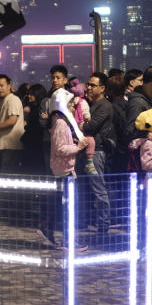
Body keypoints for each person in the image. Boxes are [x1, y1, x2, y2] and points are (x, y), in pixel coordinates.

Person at [43, 89, 89, 252]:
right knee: (69, 208)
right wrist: (78, 147)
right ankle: (67, 241)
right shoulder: (61, 124)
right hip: (65, 170)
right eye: (69, 103)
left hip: (62, 169)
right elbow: (60, 149)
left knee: (64, 206)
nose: (72, 106)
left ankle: (49, 231)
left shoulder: (57, 121)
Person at [81, 72, 114, 233]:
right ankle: (95, 222)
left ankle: (103, 225)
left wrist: (79, 124)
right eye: (88, 84)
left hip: (97, 152)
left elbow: (90, 127)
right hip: (89, 150)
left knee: (99, 188)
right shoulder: (91, 104)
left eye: (92, 85)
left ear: (102, 88)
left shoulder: (105, 106)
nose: (88, 87)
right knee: (93, 189)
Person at [0, 74, 24, 173]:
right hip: (3, 144)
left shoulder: (13, 99)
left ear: (9, 86)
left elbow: (12, 121)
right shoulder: (2, 101)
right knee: (1, 173)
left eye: (2, 85)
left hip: (11, 145)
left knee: (6, 174)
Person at [20, 83, 47, 175]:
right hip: (34, 143)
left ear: (37, 95)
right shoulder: (35, 108)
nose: (29, 96)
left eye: (31, 94)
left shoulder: (39, 110)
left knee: (33, 169)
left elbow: (36, 126)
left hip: (35, 143)